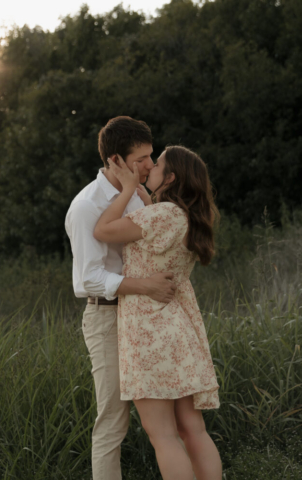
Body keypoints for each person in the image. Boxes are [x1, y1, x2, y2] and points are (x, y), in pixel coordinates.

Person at [94, 146, 222, 480]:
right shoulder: (184, 216)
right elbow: (158, 244)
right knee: (193, 430)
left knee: (162, 435)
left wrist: (124, 191)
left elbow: (103, 231)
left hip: (150, 332)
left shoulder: (161, 215)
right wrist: (145, 201)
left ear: (171, 177)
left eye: (158, 164)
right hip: (179, 330)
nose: (149, 168)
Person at [65, 116, 176, 480]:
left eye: (151, 156)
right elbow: (90, 279)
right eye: (141, 158)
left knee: (166, 411)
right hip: (107, 317)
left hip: (145, 315)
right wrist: (145, 285)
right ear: (115, 160)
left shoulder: (139, 196)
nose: (149, 165)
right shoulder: (87, 206)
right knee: (113, 418)